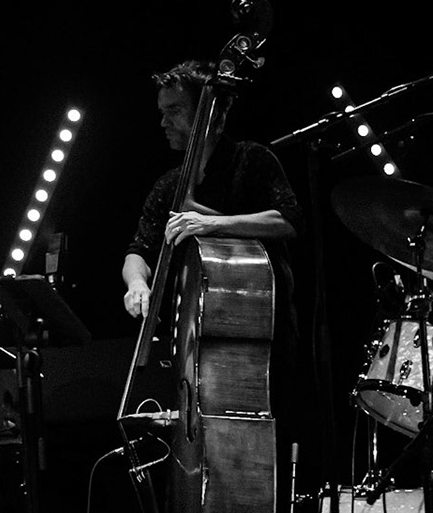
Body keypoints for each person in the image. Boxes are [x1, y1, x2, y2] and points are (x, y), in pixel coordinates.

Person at [119, 60, 303, 328]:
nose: (163, 122)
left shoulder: (251, 160)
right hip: (194, 331)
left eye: (174, 111)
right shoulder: (170, 184)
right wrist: (136, 283)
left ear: (209, 112)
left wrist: (212, 224)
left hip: (263, 326)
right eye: (162, 111)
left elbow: (290, 220)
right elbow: (139, 250)